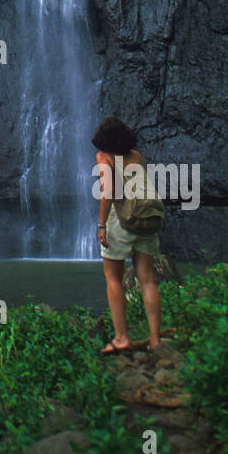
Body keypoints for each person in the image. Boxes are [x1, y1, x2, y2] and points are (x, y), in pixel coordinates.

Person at [93, 115, 162, 353]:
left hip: (121, 221)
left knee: (113, 279)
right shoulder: (137, 156)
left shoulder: (104, 157)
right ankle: (155, 339)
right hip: (145, 220)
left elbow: (108, 192)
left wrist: (102, 224)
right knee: (148, 280)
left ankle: (122, 337)